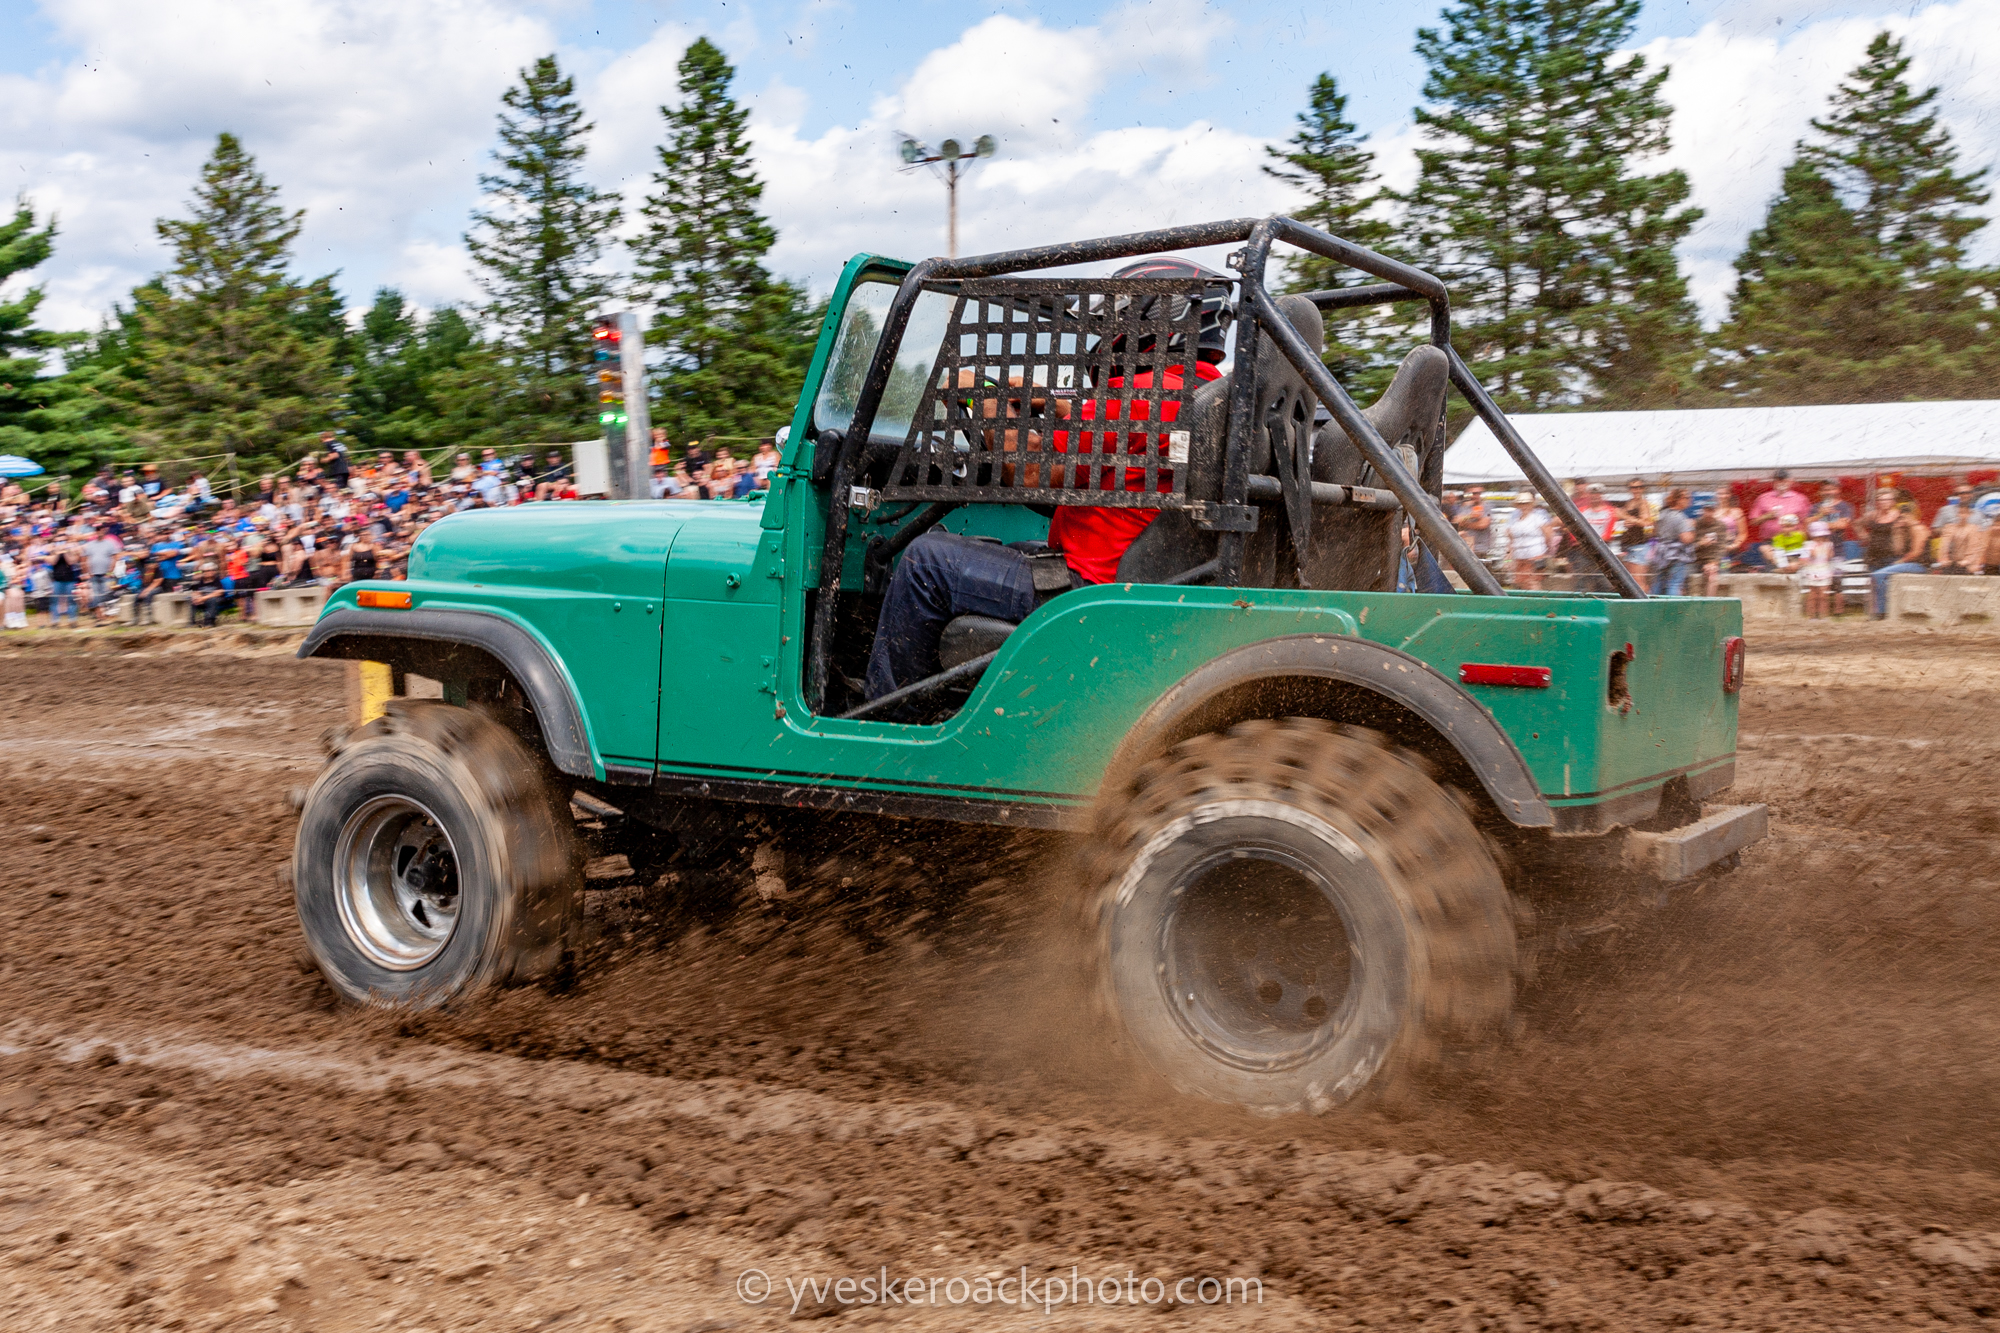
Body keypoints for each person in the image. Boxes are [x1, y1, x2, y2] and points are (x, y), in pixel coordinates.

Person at [863, 255, 1232, 703]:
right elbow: (1087, 425)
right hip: (1125, 580)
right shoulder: (1199, 393)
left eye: (1118, 320)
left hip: (1089, 593)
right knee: (1005, 547)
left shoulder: (1150, 395)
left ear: (1159, 320)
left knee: (927, 562)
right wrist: (1036, 398)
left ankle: (886, 719)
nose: (1107, 336)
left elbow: (1033, 469)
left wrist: (978, 397)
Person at [1857, 489, 1929, 618]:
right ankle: (1877, 612)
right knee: (1877, 581)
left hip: (1910, 562)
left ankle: (1881, 612)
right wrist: (1866, 537)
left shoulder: (1917, 528)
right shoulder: (1876, 516)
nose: (1900, 521)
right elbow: (1858, 524)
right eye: (1881, 500)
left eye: (1887, 499)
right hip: (1877, 556)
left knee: (1879, 577)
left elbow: (1915, 552)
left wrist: (1899, 561)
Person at [1746, 470, 1812, 549]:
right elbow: (1753, 522)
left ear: (1791, 481)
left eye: (1784, 480)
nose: (1781, 482)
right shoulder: (1763, 498)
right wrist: (1766, 516)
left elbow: (1807, 521)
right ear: (1773, 482)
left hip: (1794, 540)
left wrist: (1804, 537)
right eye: (1778, 480)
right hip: (1770, 541)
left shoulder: (1800, 498)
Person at [1652, 489, 1695, 595]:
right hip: (1676, 555)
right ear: (1679, 500)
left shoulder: (1663, 514)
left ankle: (1653, 603)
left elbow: (1655, 532)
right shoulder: (1680, 517)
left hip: (1662, 554)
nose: (1690, 500)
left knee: (1659, 582)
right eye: (1687, 498)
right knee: (1675, 583)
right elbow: (1686, 539)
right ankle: (1672, 605)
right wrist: (1692, 528)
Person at [1507, 502, 1552, 589]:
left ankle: (1537, 598)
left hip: (1535, 556)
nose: (1524, 506)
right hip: (1519, 557)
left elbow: (1548, 535)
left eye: (1526, 504)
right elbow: (1511, 542)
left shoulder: (1538, 518)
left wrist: (1544, 552)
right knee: (1521, 582)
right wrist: (1508, 560)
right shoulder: (1515, 521)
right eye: (1521, 504)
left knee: (1532, 582)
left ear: (1531, 505)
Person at [1810, 481, 1858, 559]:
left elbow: (1842, 525)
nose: (1828, 492)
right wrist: (1820, 515)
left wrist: (1817, 524)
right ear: (1820, 492)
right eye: (1825, 490)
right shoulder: (1815, 507)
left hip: (1837, 549)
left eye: (1831, 489)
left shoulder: (1845, 506)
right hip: (1816, 549)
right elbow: (1807, 525)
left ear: (1838, 490)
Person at [1932, 506, 1986, 575]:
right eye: (1960, 513)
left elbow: (1973, 547)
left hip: (1968, 563)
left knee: (1969, 569)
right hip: (1952, 562)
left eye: (1964, 513)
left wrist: (1967, 561)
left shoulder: (1974, 528)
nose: (1962, 516)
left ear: (1969, 514)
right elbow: (1944, 545)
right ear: (1956, 514)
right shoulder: (1949, 527)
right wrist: (1944, 559)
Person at [1801, 521, 1838, 617]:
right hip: (1812, 571)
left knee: (1823, 595)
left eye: (1822, 536)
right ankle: (1811, 616)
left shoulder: (1828, 544)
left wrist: (1829, 551)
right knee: (1812, 595)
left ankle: (1823, 616)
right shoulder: (1808, 545)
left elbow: (1830, 556)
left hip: (1824, 570)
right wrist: (1810, 554)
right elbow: (1803, 560)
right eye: (1817, 536)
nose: (1819, 538)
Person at [1453, 485, 1492, 559]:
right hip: (1467, 546)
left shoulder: (1486, 506)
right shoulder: (1466, 506)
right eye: (1473, 493)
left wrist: (1465, 524)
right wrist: (1470, 516)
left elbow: (1483, 524)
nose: (1476, 496)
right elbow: (1456, 521)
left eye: (1478, 493)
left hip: (1481, 548)